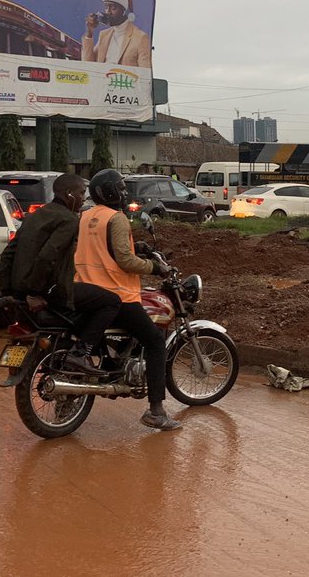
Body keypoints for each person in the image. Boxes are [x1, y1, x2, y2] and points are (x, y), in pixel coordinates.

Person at [75, 167, 180, 431]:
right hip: (117, 293)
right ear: (109, 192)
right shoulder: (117, 218)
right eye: (120, 188)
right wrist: (155, 268)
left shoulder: (86, 215)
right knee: (156, 342)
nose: (123, 193)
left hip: (86, 290)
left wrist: (138, 246)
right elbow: (123, 260)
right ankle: (156, 411)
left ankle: (110, 368)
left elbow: (102, 248)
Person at [0, 173, 120, 376]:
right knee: (111, 301)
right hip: (50, 291)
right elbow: (48, 256)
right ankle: (80, 352)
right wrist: (34, 292)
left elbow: (8, 253)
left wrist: (11, 292)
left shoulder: (37, 215)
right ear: (69, 194)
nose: (83, 199)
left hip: (22, 291)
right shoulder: (69, 219)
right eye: (81, 193)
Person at [81, 0, 152, 68]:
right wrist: (89, 33)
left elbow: (144, 75)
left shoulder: (140, 38)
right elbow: (87, 66)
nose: (108, 12)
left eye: (113, 8)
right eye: (106, 7)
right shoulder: (104, 35)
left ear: (124, 11)